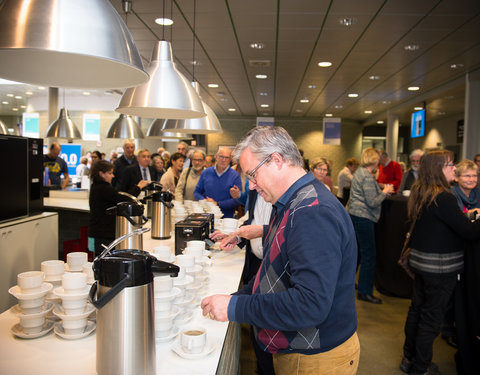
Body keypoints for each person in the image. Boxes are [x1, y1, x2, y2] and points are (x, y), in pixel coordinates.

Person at [201, 126, 359, 375]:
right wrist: (236, 298)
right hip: (297, 349)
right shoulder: (290, 202)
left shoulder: (312, 212)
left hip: (316, 357)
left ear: (276, 160)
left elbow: (311, 304)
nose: (250, 187)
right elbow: (273, 272)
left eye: (252, 175)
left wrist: (235, 307)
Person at [400, 150, 480, 375]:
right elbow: (469, 232)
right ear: (438, 169)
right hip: (439, 268)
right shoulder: (443, 197)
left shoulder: (421, 191)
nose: (454, 168)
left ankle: (409, 357)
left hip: (421, 264)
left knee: (417, 310)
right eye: (450, 165)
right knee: (430, 319)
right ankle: (421, 366)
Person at [213, 188, 275, 375]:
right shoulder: (256, 191)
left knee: (268, 325)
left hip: (273, 264)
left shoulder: (284, 195)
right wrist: (236, 237)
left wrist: (260, 231)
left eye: (253, 175)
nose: (251, 185)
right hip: (256, 262)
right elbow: (252, 221)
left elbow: (284, 229)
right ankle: (261, 367)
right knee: (258, 325)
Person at [349, 147, 394, 304]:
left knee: (358, 254)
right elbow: (372, 201)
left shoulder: (360, 173)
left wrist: (380, 188)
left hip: (355, 215)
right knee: (369, 255)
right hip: (364, 217)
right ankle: (365, 291)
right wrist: (385, 191)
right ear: (374, 161)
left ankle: (350, 284)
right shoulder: (367, 177)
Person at [88, 160, 130, 257]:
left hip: (100, 232)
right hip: (102, 234)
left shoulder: (96, 186)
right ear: (101, 174)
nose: (113, 176)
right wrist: (138, 187)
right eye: (110, 173)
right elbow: (122, 200)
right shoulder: (104, 189)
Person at [194, 147, 242, 218]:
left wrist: (217, 204)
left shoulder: (235, 176)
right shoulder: (206, 172)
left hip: (226, 219)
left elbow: (237, 200)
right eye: (221, 157)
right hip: (206, 216)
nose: (223, 160)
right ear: (216, 157)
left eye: (227, 158)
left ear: (230, 159)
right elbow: (197, 192)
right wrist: (204, 201)